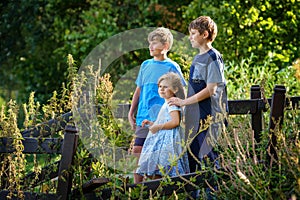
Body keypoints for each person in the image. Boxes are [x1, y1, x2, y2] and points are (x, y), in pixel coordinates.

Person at [169, 16, 228, 199]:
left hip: (211, 118)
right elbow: (194, 88)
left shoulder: (213, 57)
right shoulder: (197, 58)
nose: (190, 37)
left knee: (211, 162)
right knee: (192, 163)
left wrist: (184, 102)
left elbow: (211, 89)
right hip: (194, 119)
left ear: (205, 34)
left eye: (194, 34)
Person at [128, 27, 186, 183]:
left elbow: (181, 91)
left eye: (154, 43)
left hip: (162, 121)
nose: (150, 47)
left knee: (156, 161)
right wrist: (131, 112)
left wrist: (180, 108)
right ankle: (137, 191)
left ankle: (155, 193)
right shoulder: (145, 65)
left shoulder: (172, 67)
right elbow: (139, 89)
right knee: (137, 152)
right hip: (143, 118)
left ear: (165, 46)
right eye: (149, 43)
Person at [136, 72, 189, 179]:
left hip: (169, 141)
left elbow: (175, 122)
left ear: (175, 89)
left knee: (164, 168)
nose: (161, 89)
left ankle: (165, 190)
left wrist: (158, 127)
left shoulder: (171, 103)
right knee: (158, 169)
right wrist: (152, 124)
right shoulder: (166, 103)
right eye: (160, 86)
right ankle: (159, 191)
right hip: (164, 138)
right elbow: (166, 120)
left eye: (165, 87)